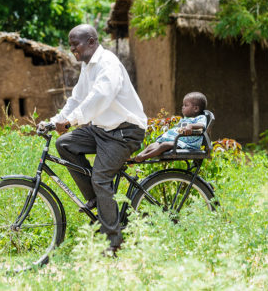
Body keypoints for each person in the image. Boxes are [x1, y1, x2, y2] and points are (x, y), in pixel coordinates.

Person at [37, 24, 147, 253]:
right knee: (64, 143)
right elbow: (77, 99)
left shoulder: (108, 64)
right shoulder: (88, 68)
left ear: (91, 41)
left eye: (75, 44)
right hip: (103, 129)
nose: (72, 49)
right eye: (70, 45)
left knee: (100, 178)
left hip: (124, 131)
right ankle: (98, 201)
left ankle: (113, 241)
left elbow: (100, 98)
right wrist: (54, 120)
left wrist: (71, 121)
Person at [133, 92, 208, 162]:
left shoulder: (200, 118)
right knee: (154, 144)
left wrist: (191, 126)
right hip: (178, 140)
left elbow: (202, 125)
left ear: (196, 109)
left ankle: (145, 157)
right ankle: (139, 155)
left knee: (165, 145)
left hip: (187, 144)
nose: (183, 107)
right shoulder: (185, 119)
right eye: (183, 105)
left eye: (186, 105)